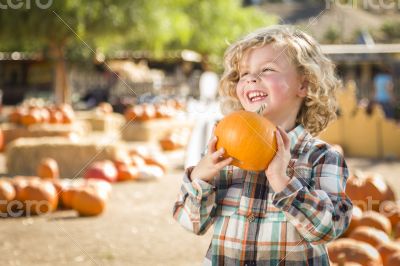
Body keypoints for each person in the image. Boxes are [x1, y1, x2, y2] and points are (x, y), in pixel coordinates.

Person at [173, 25, 353, 265]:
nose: (250, 78)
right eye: (243, 73)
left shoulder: (321, 157)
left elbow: (328, 229)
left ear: (304, 85)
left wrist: (283, 182)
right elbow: (191, 223)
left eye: (267, 69)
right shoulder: (223, 151)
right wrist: (200, 177)